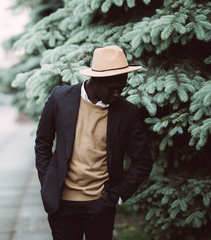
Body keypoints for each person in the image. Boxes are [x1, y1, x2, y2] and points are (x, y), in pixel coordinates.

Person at [35, 45, 153, 240]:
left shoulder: (127, 112)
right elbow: (42, 144)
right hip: (62, 204)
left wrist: (120, 194)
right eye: (113, 89)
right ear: (96, 80)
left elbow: (143, 160)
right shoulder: (59, 98)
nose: (118, 94)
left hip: (101, 205)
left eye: (121, 89)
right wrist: (48, 181)